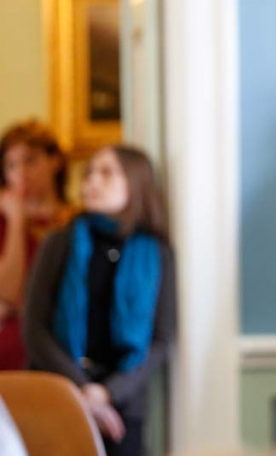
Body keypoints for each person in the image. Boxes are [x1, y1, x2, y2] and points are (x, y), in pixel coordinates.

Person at [24, 145, 176, 456]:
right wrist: (81, 391)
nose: (92, 181)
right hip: (58, 394)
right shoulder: (60, 242)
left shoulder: (156, 254)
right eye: (89, 173)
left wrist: (106, 394)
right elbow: (34, 328)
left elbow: (161, 340)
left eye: (106, 173)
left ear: (135, 182)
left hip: (123, 406)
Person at [0, 119, 77, 369]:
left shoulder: (78, 222)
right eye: (11, 165)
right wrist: (15, 222)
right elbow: (9, 292)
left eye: (30, 160)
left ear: (54, 161)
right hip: (9, 357)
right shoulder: (4, 224)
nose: (20, 173)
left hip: (65, 352)